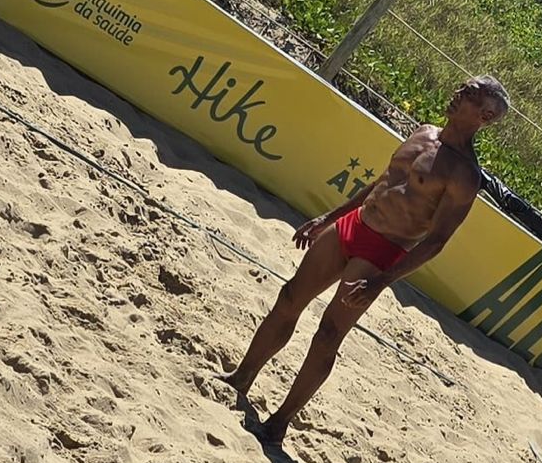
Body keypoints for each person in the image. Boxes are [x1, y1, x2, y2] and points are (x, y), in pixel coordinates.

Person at [218, 76, 509, 444]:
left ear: (484, 115)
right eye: (461, 88)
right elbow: (382, 182)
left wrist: (381, 281)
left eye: (468, 95)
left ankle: (279, 422)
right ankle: (242, 377)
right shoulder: (424, 133)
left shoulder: (464, 174)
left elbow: (436, 241)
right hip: (353, 225)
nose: (457, 94)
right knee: (290, 297)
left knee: (328, 334)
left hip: (383, 250)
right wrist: (329, 217)